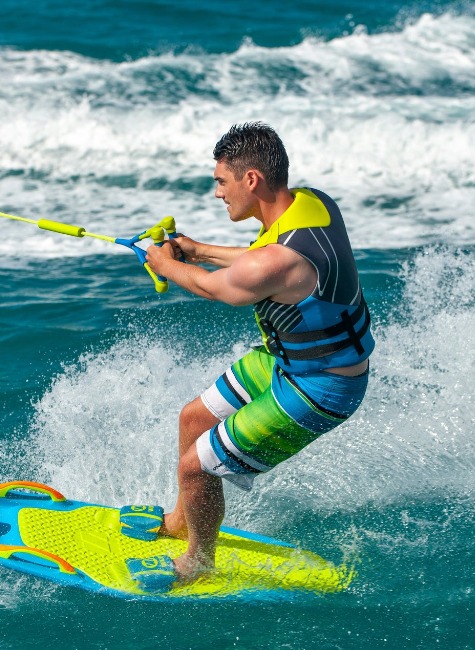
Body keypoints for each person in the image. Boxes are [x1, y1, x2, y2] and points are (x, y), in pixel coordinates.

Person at [131, 122, 375, 589]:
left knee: (196, 465)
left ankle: (198, 562)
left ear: (251, 180)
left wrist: (166, 264)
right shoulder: (311, 203)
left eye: (222, 180)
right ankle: (181, 520)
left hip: (322, 387)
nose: (217, 192)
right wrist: (195, 248)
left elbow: (216, 286)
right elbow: (257, 260)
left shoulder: (276, 262)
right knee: (192, 419)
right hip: (289, 360)